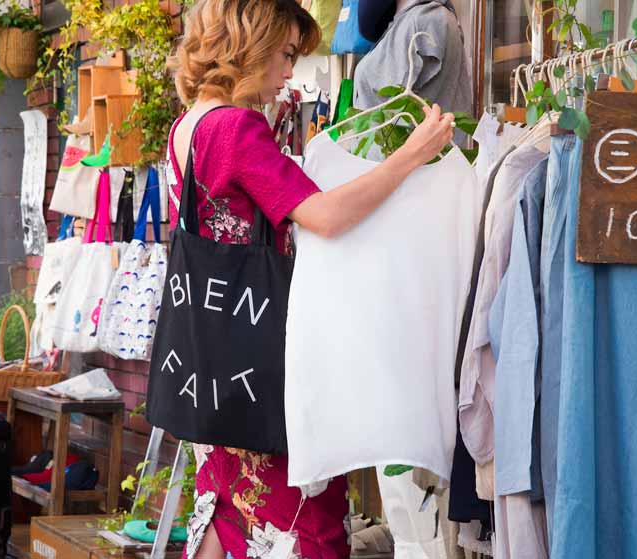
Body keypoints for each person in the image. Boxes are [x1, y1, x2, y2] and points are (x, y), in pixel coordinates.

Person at [166, 1, 456, 558]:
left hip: (216, 361)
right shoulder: (235, 126)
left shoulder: (192, 124)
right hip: (264, 357)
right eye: (285, 54)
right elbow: (322, 215)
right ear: (249, 43)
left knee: (227, 508)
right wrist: (411, 156)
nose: (288, 71)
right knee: (301, 521)